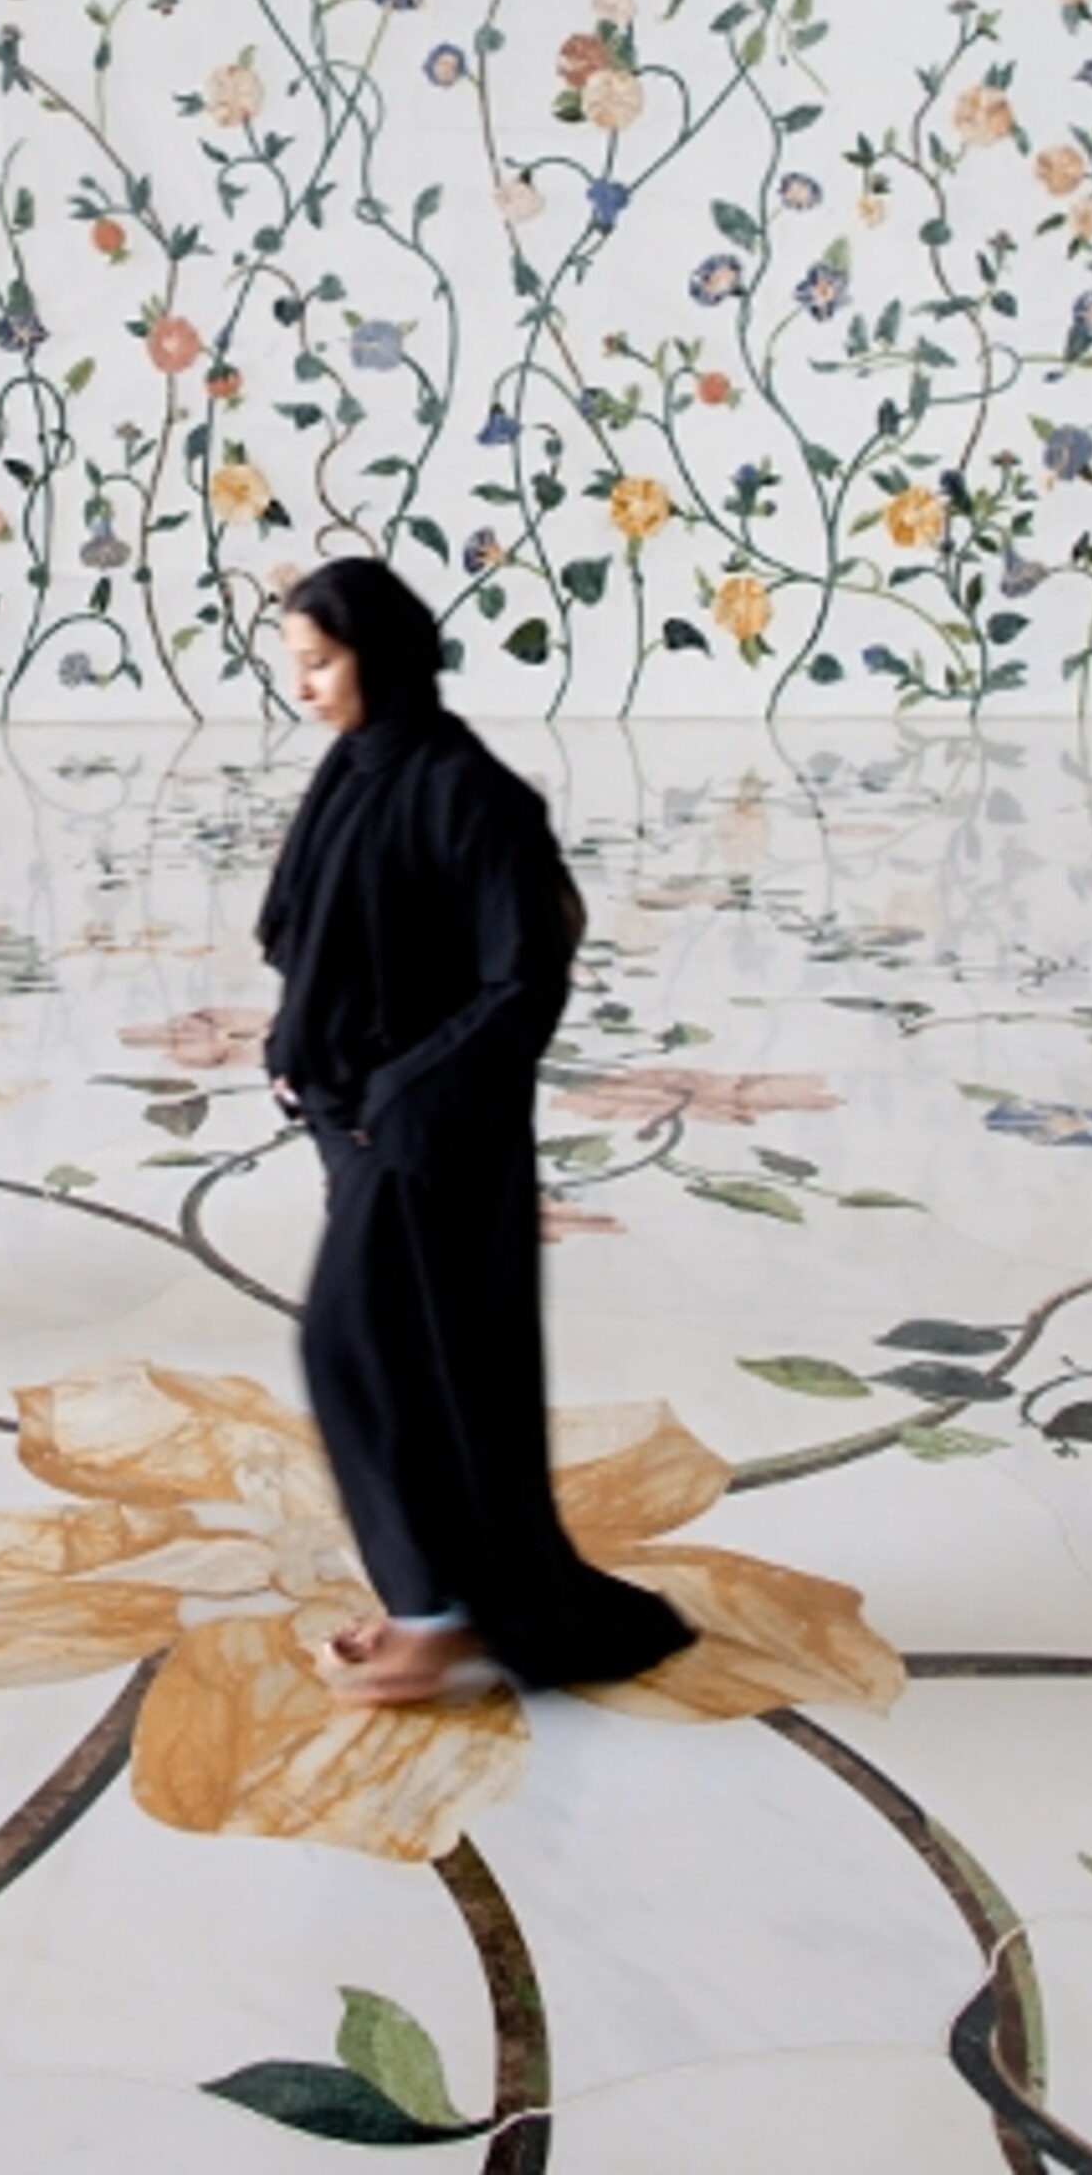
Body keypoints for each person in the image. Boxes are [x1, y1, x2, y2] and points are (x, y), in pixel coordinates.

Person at [258, 555, 695, 1706]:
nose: (303, 688)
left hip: (429, 1134)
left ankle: (437, 1616)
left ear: (380, 654)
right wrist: (305, 1062)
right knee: (416, 1362)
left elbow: (524, 981)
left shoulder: (470, 793)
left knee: (358, 1351)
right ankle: (444, 1601)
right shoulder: (355, 772)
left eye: (319, 663)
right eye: (295, 666)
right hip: (360, 1124)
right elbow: (308, 935)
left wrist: (403, 1092)